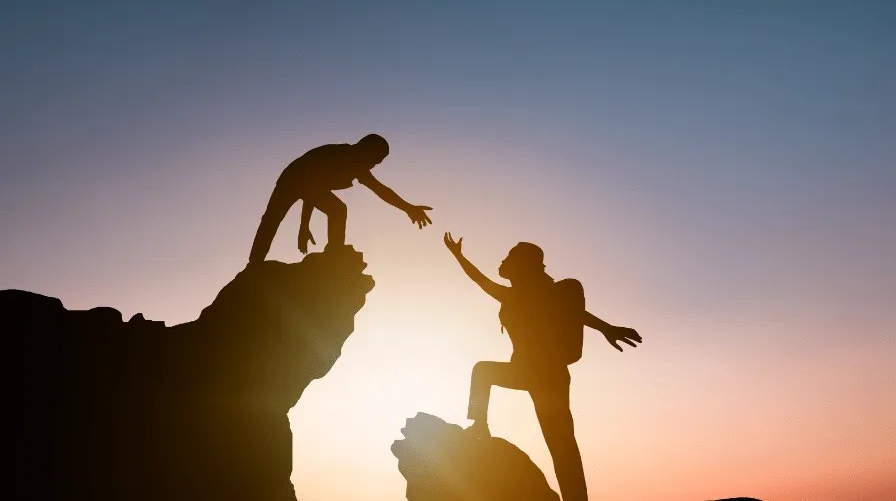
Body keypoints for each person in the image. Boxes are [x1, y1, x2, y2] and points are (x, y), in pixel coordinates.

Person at [443, 232, 642, 501]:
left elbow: (574, 313)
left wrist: (607, 328)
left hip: (548, 376)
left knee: (561, 443)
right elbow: (479, 280)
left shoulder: (543, 293)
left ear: (524, 264)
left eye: (509, 257)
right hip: (528, 372)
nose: (502, 261)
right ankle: (479, 425)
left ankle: (576, 497)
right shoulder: (511, 295)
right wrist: (458, 255)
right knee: (484, 372)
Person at [248, 134, 433, 262]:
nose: (374, 165)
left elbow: (380, 190)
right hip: (292, 178)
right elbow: (310, 186)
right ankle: (254, 263)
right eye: (375, 159)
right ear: (365, 149)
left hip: (311, 184)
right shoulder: (340, 156)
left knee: (338, 210)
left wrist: (408, 208)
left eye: (378, 162)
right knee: (272, 219)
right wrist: (304, 226)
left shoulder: (358, 165)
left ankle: (335, 252)